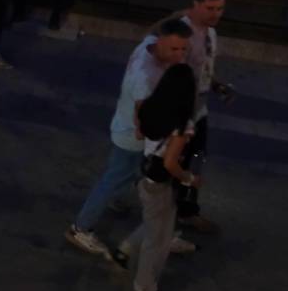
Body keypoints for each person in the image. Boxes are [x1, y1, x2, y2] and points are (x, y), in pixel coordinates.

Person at [64, 19, 192, 259]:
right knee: (116, 179)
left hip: (123, 129)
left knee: (124, 176)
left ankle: (128, 209)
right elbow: (142, 125)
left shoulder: (149, 43)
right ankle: (81, 228)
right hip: (131, 138)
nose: (180, 55)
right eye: (175, 49)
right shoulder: (146, 78)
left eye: (184, 49)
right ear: (162, 41)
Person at [112, 64, 199, 291]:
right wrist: (190, 178)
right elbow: (171, 163)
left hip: (145, 173)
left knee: (158, 223)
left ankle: (127, 247)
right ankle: (146, 289)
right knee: (158, 239)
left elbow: (140, 134)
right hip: (160, 182)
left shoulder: (151, 105)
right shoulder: (183, 124)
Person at [169, 0, 232, 232]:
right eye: (210, 8)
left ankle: (186, 210)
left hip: (199, 110)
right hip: (182, 113)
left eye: (220, 8)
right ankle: (168, 219)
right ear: (195, 4)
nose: (215, 14)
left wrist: (216, 85)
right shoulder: (182, 34)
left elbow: (202, 68)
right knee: (174, 163)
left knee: (196, 159)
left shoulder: (211, 33)